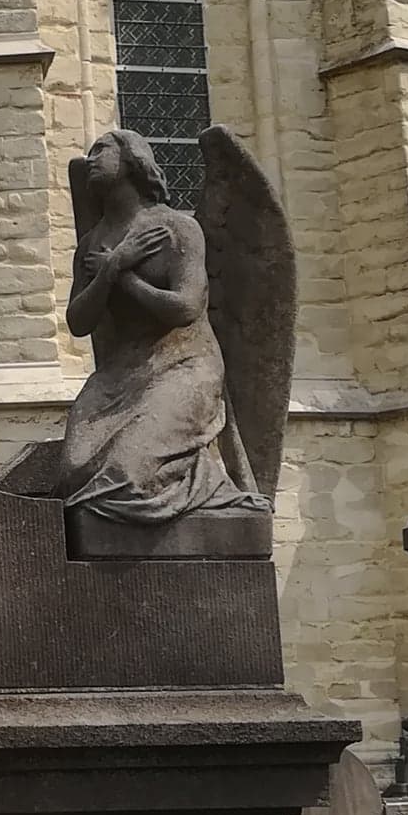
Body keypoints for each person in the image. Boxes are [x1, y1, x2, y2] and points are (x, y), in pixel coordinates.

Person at [59, 130, 268, 525]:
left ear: (133, 161)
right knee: (74, 475)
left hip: (184, 367)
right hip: (121, 376)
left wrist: (123, 277)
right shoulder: (92, 244)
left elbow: (187, 308)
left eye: (101, 150)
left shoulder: (177, 229)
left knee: (121, 477)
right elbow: (78, 322)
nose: (91, 160)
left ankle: (207, 483)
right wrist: (110, 270)